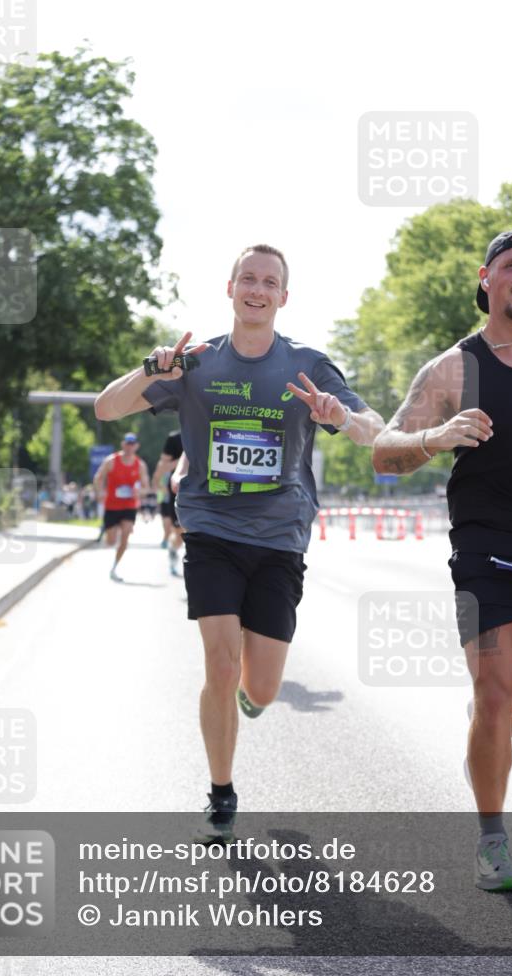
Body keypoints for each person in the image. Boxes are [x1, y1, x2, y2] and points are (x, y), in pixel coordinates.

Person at [95, 244, 384, 839]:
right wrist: (151, 370)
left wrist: (340, 416)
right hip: (211, 530)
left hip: (280, 537)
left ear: (284, 297)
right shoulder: (194, 363)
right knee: (221, 665)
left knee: (262, 687)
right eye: (247, 278)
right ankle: (221, 791)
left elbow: (374, 431)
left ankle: (253, 697)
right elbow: (105, 408)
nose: (257, 289)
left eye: (269, 282)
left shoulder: (308, 364)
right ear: (230, 289)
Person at [372, 224, 512, 892]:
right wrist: (436, 435)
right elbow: (384, 452)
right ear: (486, 279)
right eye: (510, 265)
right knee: (496, 688)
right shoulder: (454, 368)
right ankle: (492, 841)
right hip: (485, 549)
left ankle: (487, 727)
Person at [93, 432, 150, 582]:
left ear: (136, 446)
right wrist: (99, 492)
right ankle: (110, 531)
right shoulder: (111, 461)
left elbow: (146, 488)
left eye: (132, 444)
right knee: (111, 541)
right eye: (127, 444)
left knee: (125, 535)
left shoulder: (140, 465)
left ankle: (114, 567)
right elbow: (98, 477)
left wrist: (139, 492)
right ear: (123, 444)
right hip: (112, 505)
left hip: (129, 505)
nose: (129, 447)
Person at [151, 429, 184, 575]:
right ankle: (173, 548)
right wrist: (185, 458)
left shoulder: (208, 432)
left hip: (203, 489)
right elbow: (163, 466)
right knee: (179, 532)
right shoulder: (174, 438)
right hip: (178, 490)